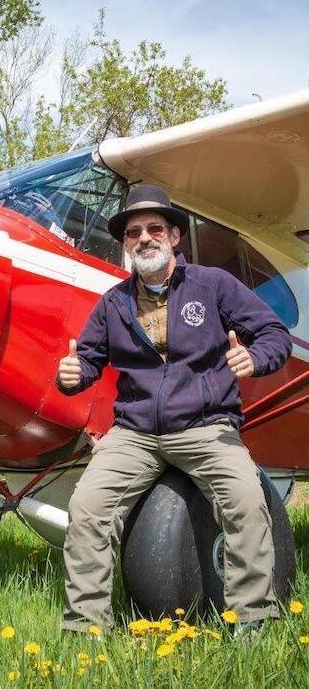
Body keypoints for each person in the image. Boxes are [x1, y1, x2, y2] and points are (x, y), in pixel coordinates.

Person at [56, 183, 292, 634]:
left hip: (206, 426)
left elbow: (273, 335)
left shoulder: (214, 285)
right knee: (87, 506)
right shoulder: (113, 303)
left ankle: (253, 618)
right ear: (125, 244)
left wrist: (255, 358)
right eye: (133, 232)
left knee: (245, 499)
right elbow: (86, 361)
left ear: (174, 237)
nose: (143, 238)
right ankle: (85, 626)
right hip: (134, 432)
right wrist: (72, 375)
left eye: (154, 229)